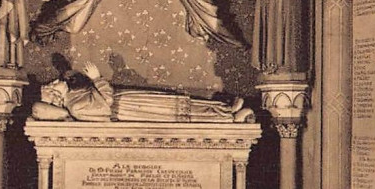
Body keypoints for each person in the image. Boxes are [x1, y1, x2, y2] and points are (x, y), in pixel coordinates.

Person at [31, 62, 255, 123]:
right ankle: (227, 117)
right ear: (56, 98)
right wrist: (97, 78)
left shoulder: (75, 95)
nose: (55, 82)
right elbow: (106, 103)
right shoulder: (75, 106)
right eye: (52, 86)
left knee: (178, 102)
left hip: (130, 102)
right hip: (130, 110)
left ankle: (223, 109)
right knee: (180, 114)